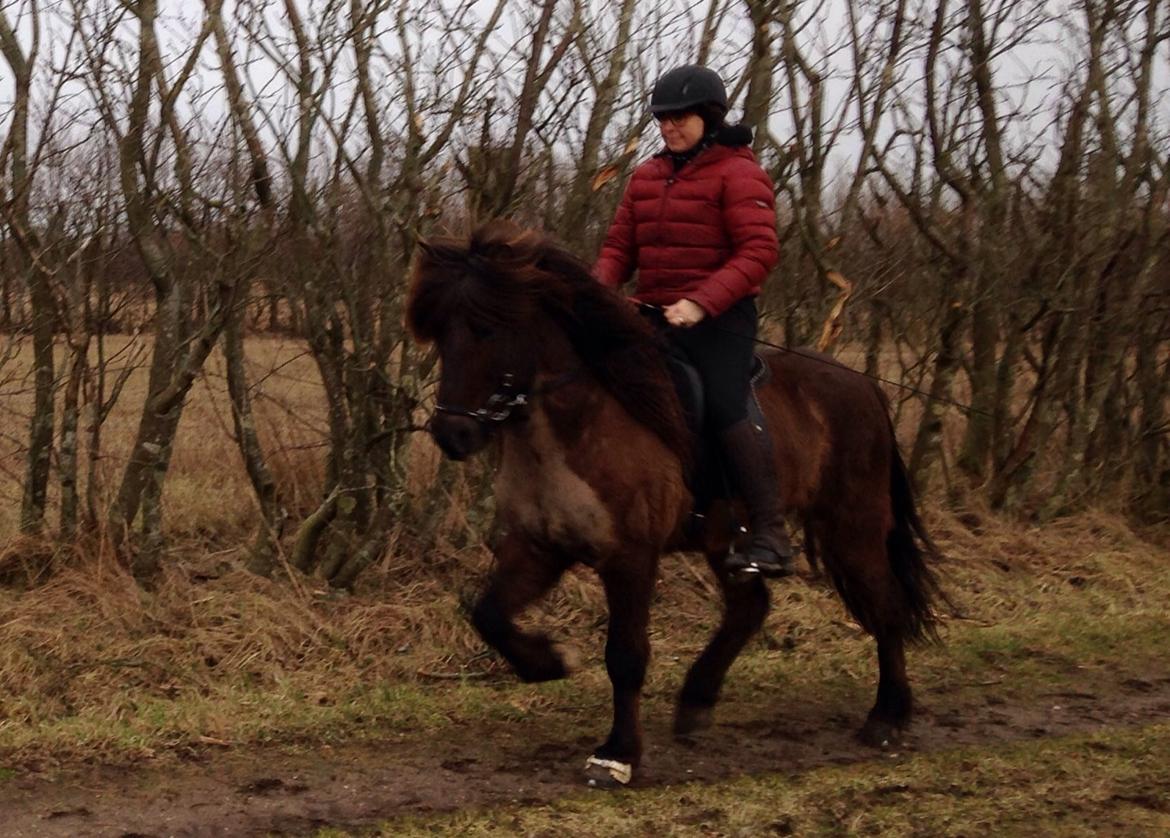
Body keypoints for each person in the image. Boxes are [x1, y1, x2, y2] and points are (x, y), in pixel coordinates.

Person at [594, 64, 794, 577]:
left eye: (679, 118)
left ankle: (769, 530)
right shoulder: (647, 177)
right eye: (662, 119)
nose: (669, 127)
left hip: (720, 317)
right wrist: (596, 294)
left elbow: (758, 250)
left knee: (723, 401)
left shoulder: (740, 172)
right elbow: (620, 247)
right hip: (653, 312)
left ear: (709, 116)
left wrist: (701, 303)